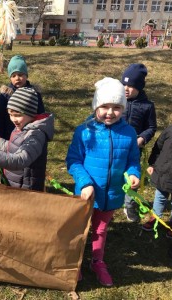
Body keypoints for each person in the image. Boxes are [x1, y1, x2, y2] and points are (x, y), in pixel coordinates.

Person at [66, 77, 141, 287]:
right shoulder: (84, 131)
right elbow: (73, 160)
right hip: (87, 194)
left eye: (116, 107)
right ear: (96, 106)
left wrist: (133, 173)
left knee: (100, 230)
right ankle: (76, 262)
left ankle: (97, 261)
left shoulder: (129, 133)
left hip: (112, 195)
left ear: (124, 109)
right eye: (105, 106)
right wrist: (84, 182)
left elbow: (132, 160)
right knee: (80, 229)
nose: (110, 112)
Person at [0, 87, 54, 191]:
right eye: (10, 115)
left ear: (30, 113)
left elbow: (20, 160)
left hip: (27, 189)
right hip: (16, 184)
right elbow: (17, 146)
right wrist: (2, 144)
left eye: (17, 115)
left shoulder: (35, 135)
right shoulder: (23, 126)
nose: (13, 119)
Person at [121, 63, 157, 222]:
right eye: (124, 84)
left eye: (131, 85)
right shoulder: (118, 102)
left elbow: (151, 127)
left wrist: (142, 138)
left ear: (140, 87)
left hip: (135, 150)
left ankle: (129, 205)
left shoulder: (147, 106)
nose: (126, 88)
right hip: (116, 147)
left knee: (132, 179)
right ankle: (112, 199)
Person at [0, 55, 45, 140]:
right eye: (13, 76)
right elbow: (0, 116)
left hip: (30, 135)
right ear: (10, 77)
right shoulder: (5, 95)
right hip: (9, 135)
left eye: (20, 74)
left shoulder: (34, 93)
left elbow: (40, 113)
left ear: (26, 75)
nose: (17, 78)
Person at [141, 125, 172, 238]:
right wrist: (152, 163)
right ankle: (156, 217)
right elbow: (158, 146)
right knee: (160, 196)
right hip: (164, 172)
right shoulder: (169, 130)